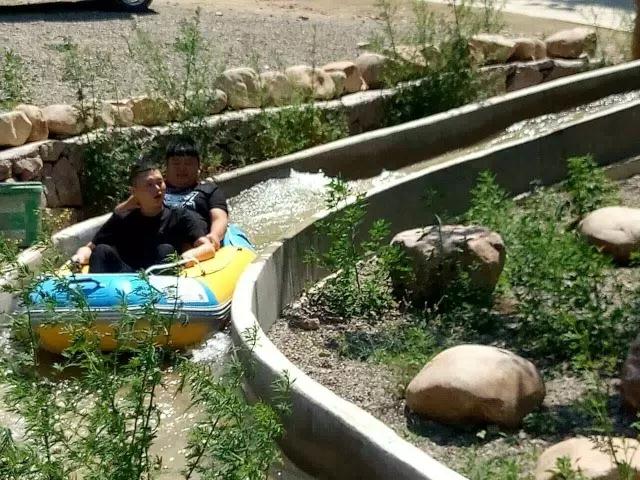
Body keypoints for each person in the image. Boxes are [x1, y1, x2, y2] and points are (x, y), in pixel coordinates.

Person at [72, 160, 215, 274]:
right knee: (101, 250)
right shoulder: (122, 218)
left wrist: (187, 257)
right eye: (149, 185)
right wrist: (79, 258)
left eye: (160, 182)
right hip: (125, 278)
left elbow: (208, 247)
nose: (157, 189)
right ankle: (95, 300)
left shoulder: (179, 216)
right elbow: (90, 248)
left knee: (165, 250)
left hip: (162, 279)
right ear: (134, 192)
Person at [116, 138, 229, 251]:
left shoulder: (208, 189)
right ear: (167, 166)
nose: (182, 168)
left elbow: (219, 217)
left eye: (188, 163)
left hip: (193, 242)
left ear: (198, 166)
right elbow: (120, 213)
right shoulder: (152, 189)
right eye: (176, 163)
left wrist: (214, 235)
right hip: (153, 240)